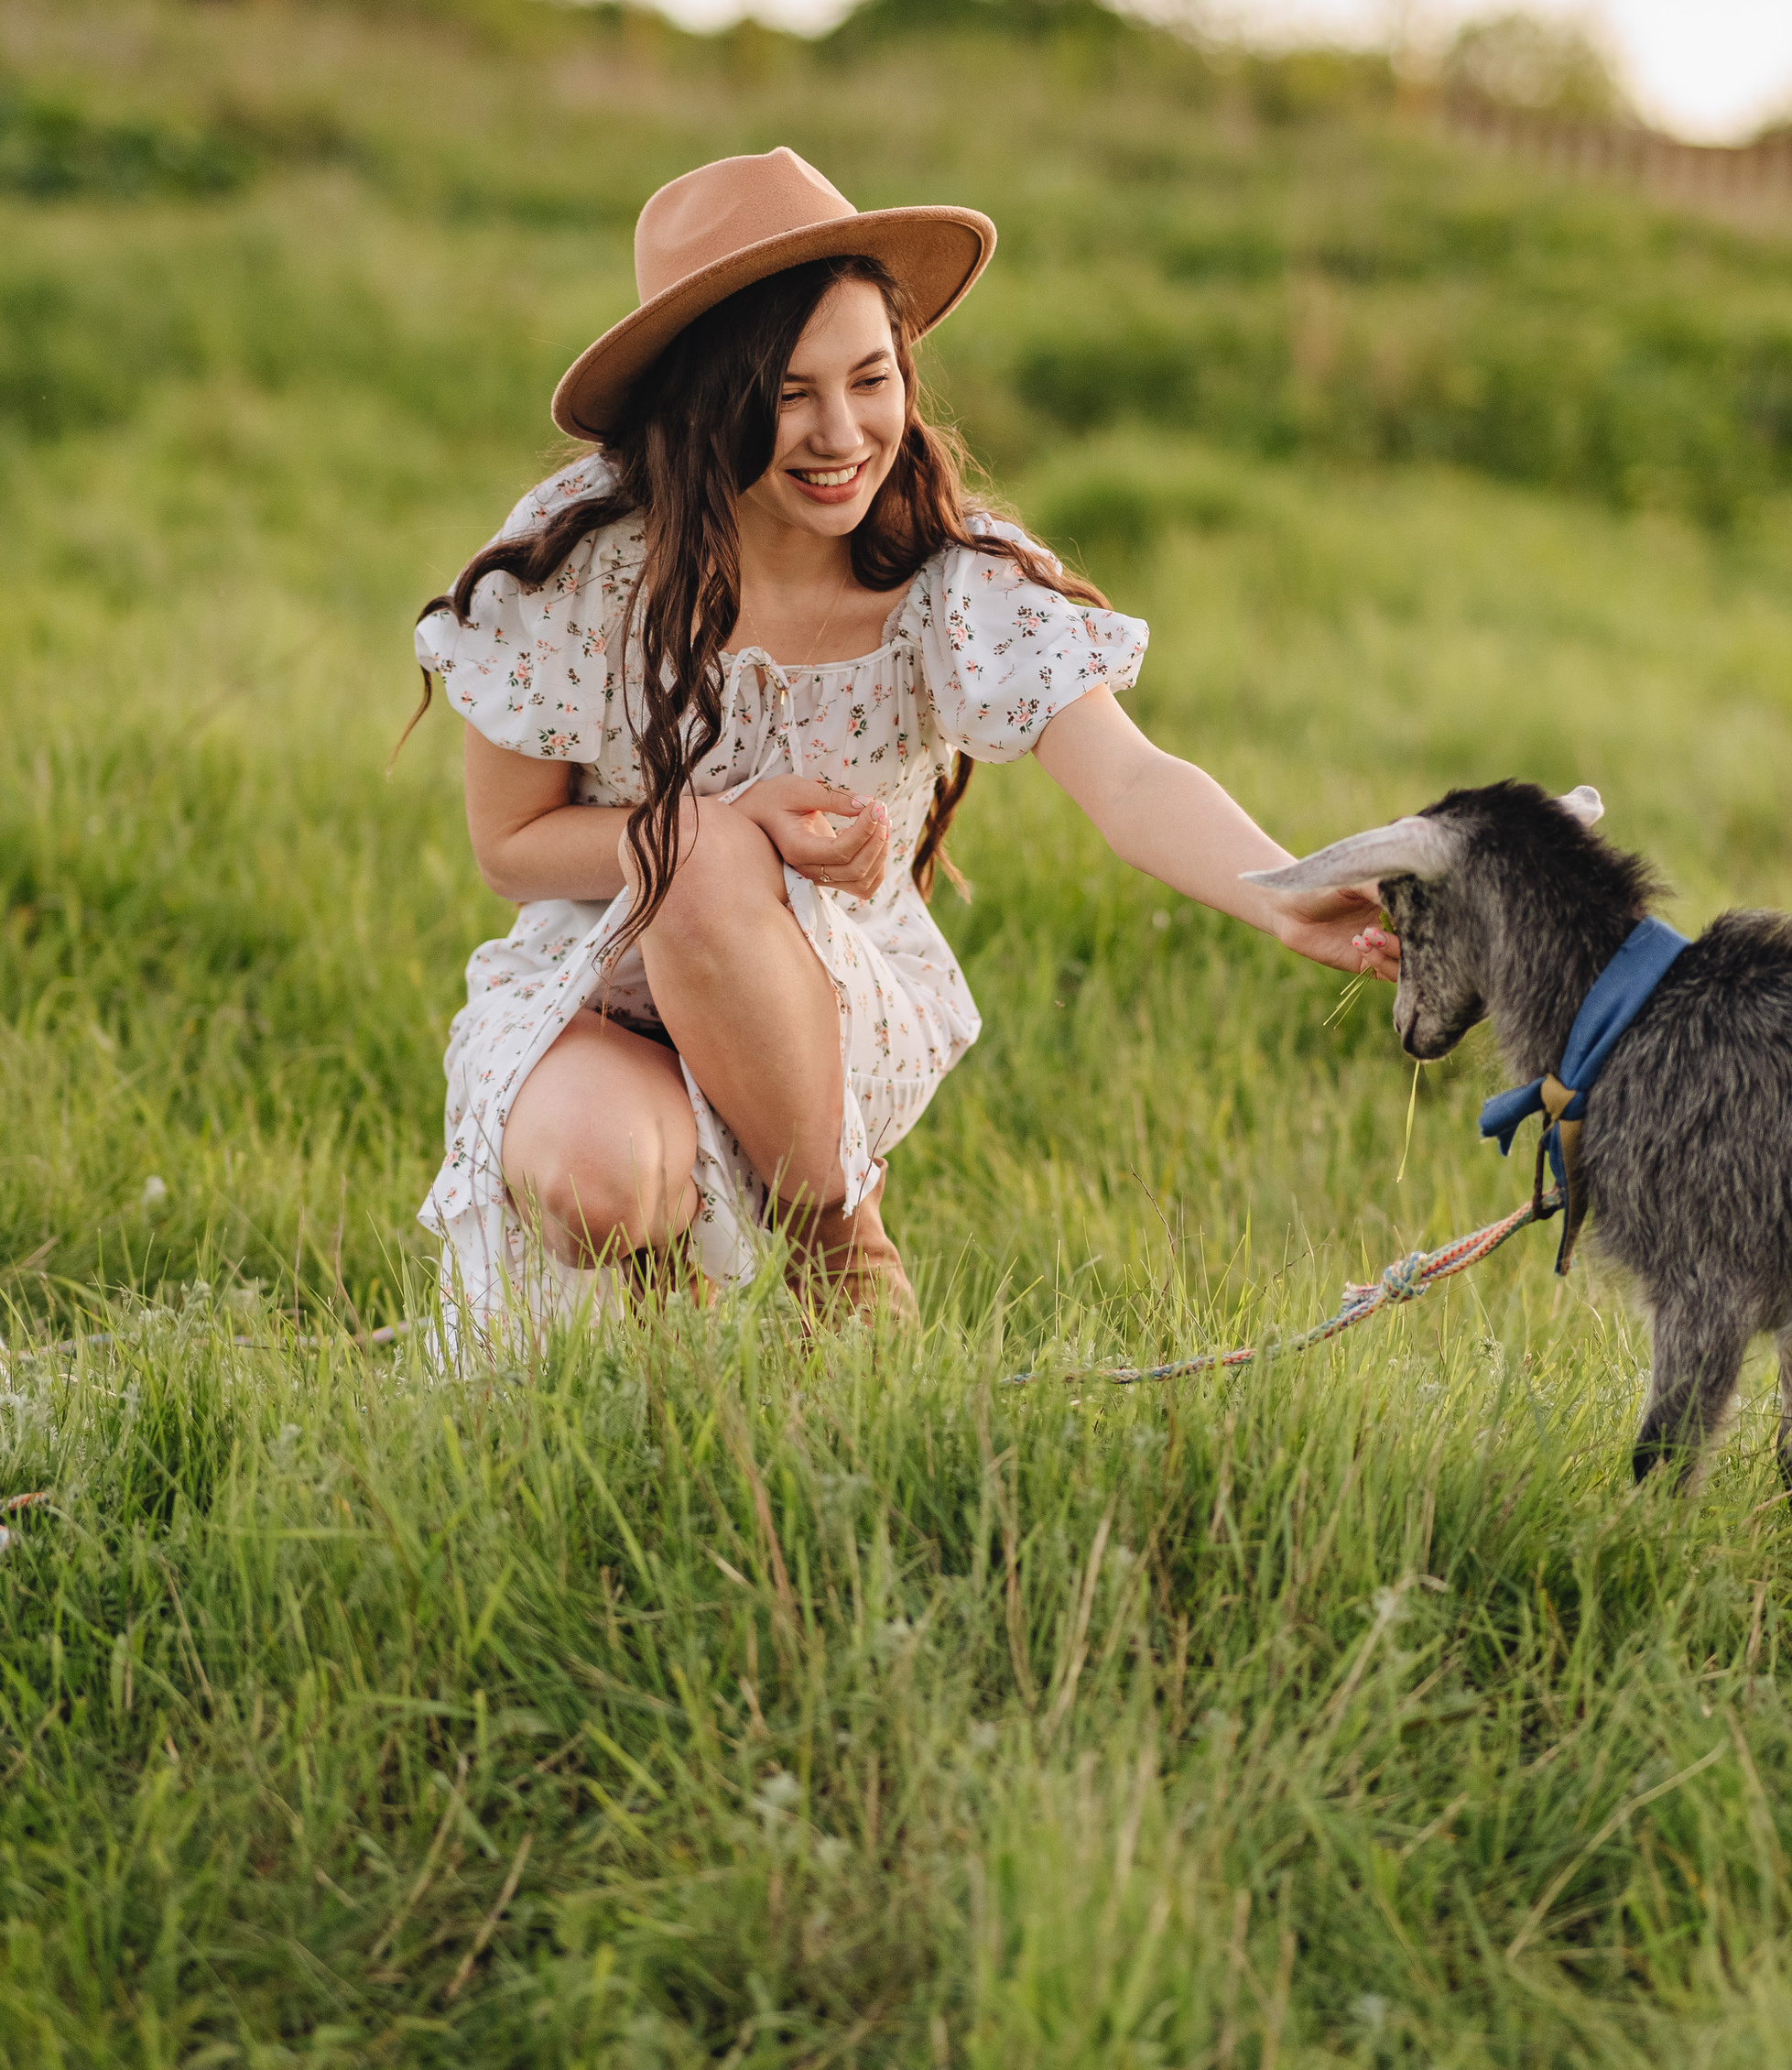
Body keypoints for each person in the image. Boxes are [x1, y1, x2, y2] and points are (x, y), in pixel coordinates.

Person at [410, 145, 1396, 1341]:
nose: (843, 432)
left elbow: (1130, 778)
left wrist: (1282, 892)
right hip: (594, 987)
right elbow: (510, 846)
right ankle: (684, 1362)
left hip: (821, 1006)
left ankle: (833, 1228)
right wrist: (716, 823)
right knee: (603, 1156)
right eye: (786, 393)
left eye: (871, 378)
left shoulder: (946, 573)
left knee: (707, 859)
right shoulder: (585, 558)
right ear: (701, 397)